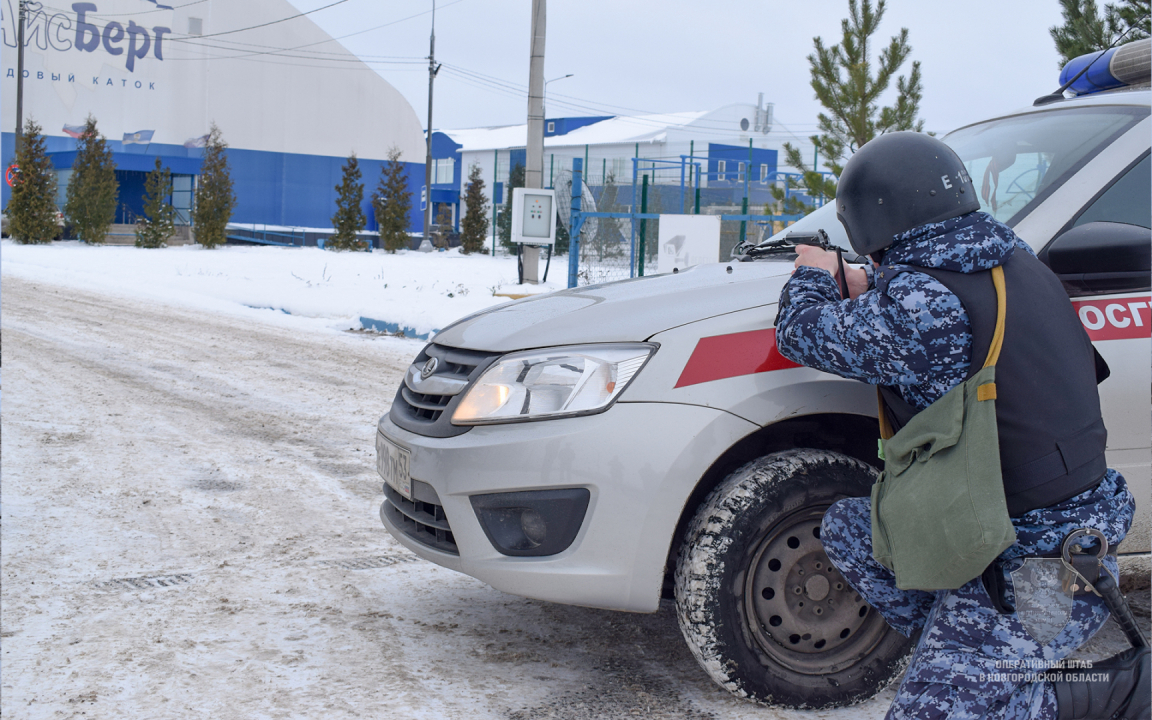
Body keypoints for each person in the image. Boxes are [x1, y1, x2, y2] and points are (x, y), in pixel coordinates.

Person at [774, 132, 1146, 720]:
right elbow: (945, 303)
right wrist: (880, 282)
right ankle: (972, 655)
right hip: (1058, 534)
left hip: (1041, 570)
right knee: (850, 526)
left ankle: (1073, 697)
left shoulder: (926, 304)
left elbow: (801, 331)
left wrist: (817, 272)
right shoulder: (1014, 259)